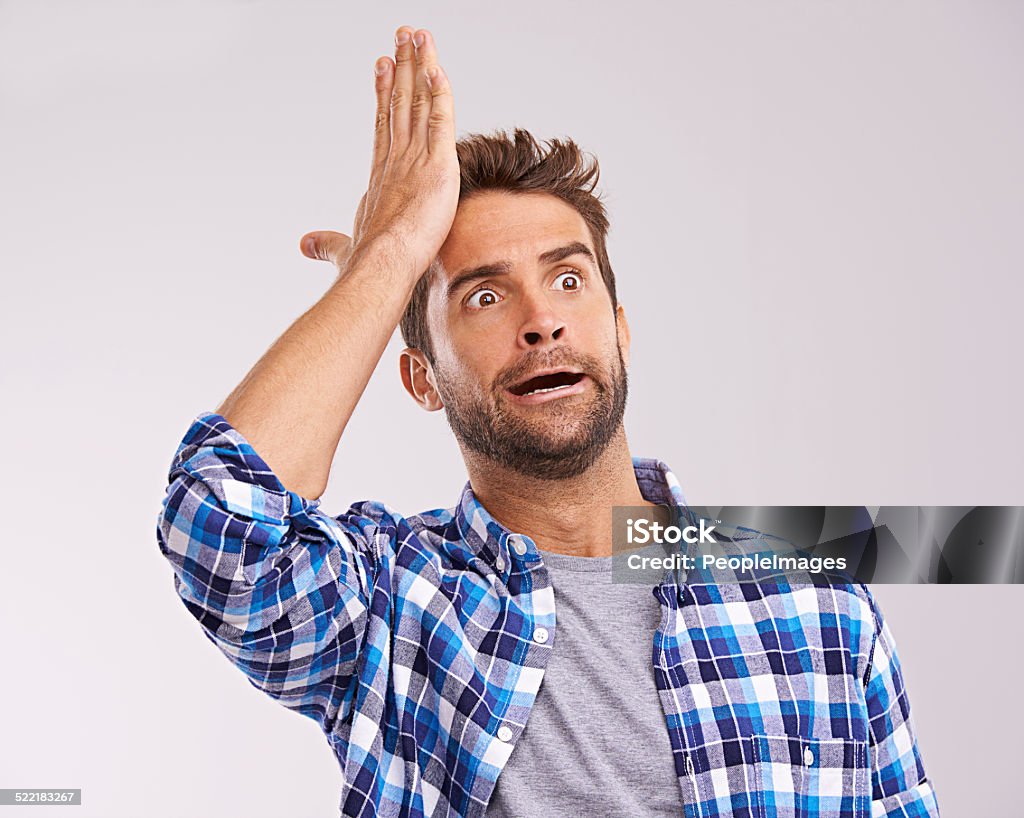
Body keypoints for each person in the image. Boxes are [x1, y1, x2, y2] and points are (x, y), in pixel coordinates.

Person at [156, 24, 940, 818]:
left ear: (621, 327)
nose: (542, 322)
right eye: (485, 297)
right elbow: (218, 518)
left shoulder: (813, 602)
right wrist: (386, 259)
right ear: (421, 380)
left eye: (568, 278)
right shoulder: (390, 607)